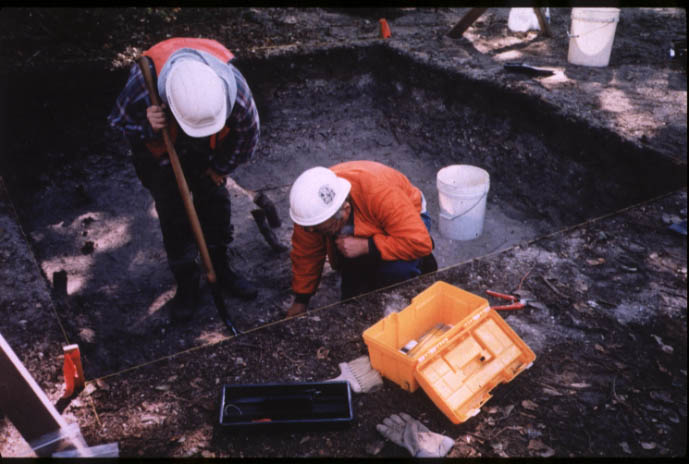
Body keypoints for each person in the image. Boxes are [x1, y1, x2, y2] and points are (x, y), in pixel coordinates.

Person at [108, 38, 259, 322]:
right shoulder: (144, 84)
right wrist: (148, 126)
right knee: (174, 213)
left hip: (210, 153)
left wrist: (219, 169)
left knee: (215, 205)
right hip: (162, 155)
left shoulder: (235, 90)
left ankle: (220, 268)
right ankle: (187, 283)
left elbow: (247, 136)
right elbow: (120, 124)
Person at [286, 160, 438, 317]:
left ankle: (422, 262)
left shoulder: (379, 193)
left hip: (408, 217)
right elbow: (307, 254)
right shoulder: (310, 215)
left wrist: (367, 246)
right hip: (367, 220)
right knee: (352, 298)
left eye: (320, 229)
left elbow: (419, 242)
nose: (310, 232)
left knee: (396, 272)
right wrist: (301, 300)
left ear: (344, 211)